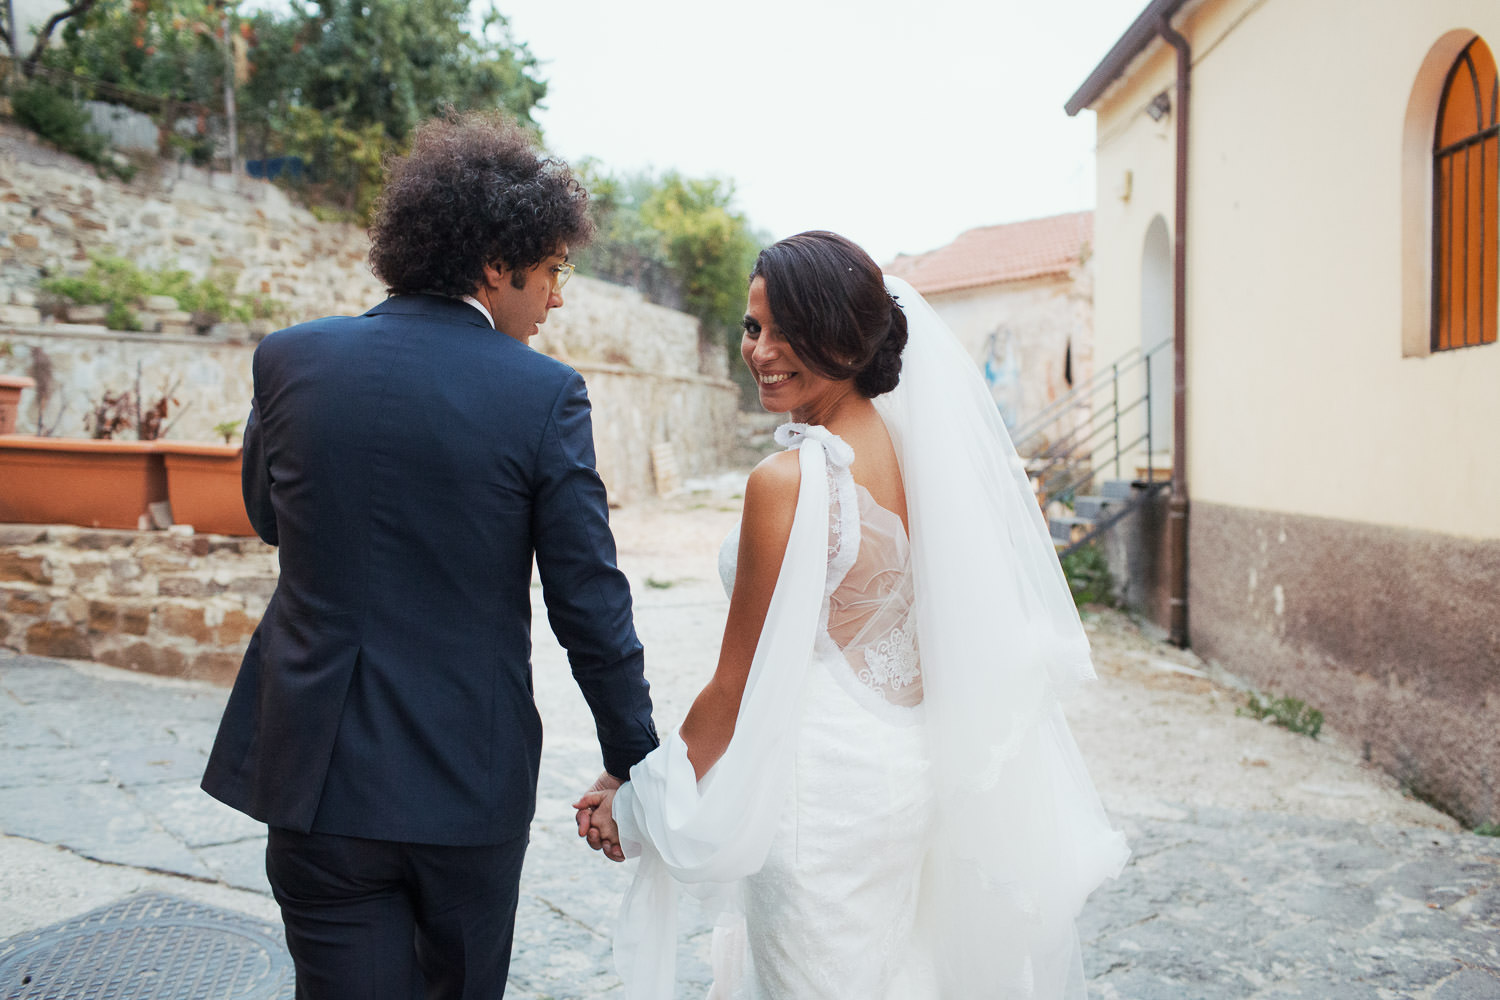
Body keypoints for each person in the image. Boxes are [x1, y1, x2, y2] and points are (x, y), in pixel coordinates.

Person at [576, 231, 1128, 998]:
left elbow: (733, 691)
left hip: (816, 800)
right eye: (752, 327)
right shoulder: (911, 449)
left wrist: (638, 807)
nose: (762, 351)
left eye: (787, 330)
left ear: (844, 334)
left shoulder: (788, 481)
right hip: (903, 776)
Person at [201, 111, 659, 998]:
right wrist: (634, 760)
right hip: (463, 786)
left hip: (316, 779)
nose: (558, 294)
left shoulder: (291, 359)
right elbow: (588, 603)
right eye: (556, 268)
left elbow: (268, 515)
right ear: (498, 263)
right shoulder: (545, 395)